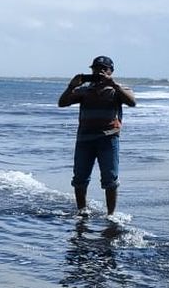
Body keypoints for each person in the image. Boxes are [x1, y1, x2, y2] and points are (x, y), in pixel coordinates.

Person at [57, 55, 137, 216]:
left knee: (110, 180)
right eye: (95, 69)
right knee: (80, 178)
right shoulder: (84, 90)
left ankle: (111, 215)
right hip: (84, 140)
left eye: (103, 69)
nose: (99, 72)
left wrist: (112, 83)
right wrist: (70, 86)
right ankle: (82, 212)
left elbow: (132, 102)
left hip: (109, 139)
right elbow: (62, 103)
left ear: (111, 71)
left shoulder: (118, 90)